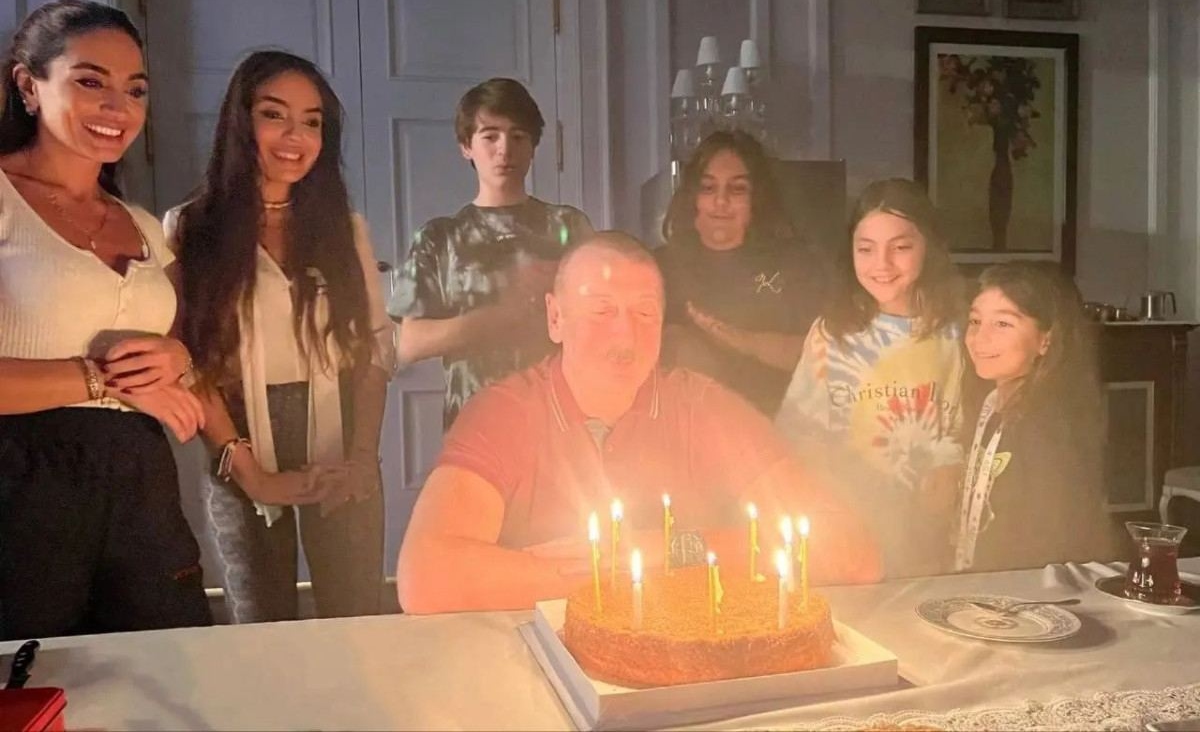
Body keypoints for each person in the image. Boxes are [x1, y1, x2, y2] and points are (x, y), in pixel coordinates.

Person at [396, 231, 881, 614]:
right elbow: (426, 576)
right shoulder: (506, 413)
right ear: (556, 317)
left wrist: (667, 550)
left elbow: (851, 552)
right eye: (602, 310)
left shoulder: (701, 407)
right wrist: (611, 572)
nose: (625, 334)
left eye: (644, 313)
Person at [0, 0, 211, 639]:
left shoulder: (142, 225)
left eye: (135, 90)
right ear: (28, 85)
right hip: (22, 479)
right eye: (91, 81)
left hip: (140, 480)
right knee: (34, 672)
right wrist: (104, 380)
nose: (118, 108)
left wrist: (179, 360)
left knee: (169, 664)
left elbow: (184, 346)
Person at [169, 51, 395, 622]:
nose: (296, 137)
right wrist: (252, 474)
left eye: (311, 122)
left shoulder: (345, 229)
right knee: (260, 624)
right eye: (275, 115)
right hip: (237, 433)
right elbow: (189, 361)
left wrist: (361, 458)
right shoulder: (191, 227)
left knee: (355, 616)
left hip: (341, 429)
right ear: (240, 121)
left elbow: (375, 347)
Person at [774, 178, 965, 578]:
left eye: (901, 247)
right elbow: (799, 431)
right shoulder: (833, 333)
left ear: (929, 246)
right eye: (866, 249)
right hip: (849, 532)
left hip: (928, 537)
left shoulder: (955, 331)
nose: (882, 264)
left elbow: (965, 425)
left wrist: (946, 473)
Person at [388, 77, 592, 428]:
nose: (504, 150)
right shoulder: (440, 237)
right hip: (474, 425)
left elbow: (600, 316)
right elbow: (407, 344)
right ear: (466, 146)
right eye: (490, 136)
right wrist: (504, 312)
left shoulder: (568, 226)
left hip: (561, 422)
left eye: (518, 136)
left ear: (533, 146)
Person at [955, 262, 1117, 572]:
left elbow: (1052, 540)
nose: (979, 338)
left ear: (1047, 339)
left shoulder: (1050, 426)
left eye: (1002, 324)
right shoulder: (990, 405)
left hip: (1028, 587)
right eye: (975, 321)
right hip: (985, 582)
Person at [656, 130, 825, 415]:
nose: (720, 201)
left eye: (737, 189)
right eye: (708, 188)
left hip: (780, 423)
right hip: (690, 424)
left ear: (757, 198)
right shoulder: (662, 266)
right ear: (693, 197)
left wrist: (747, 342)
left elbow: (825, 356)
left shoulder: (795, 262)